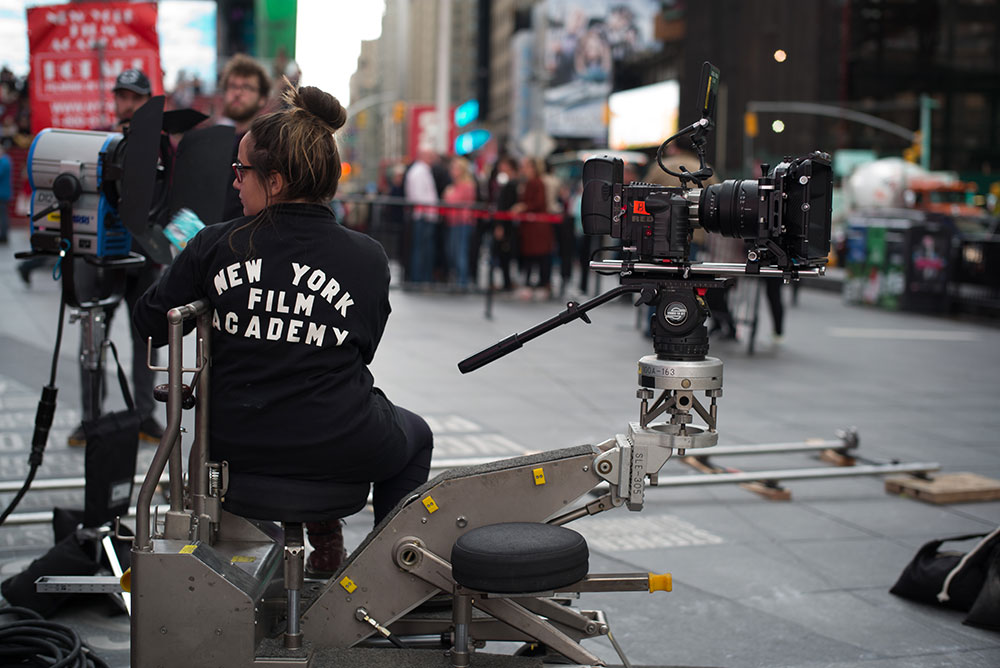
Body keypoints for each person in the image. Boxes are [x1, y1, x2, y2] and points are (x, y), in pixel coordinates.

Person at [132, 83, 433, 577]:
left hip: (232, 451)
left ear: (273, 181)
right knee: (415, 435)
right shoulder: (368, 257)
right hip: (343, 443)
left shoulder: (214, 244)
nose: (234, 182)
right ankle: (386, 577)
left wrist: (192, 271)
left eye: (241, 170)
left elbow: (149, 320)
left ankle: (287, 554)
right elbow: (364, 348)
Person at [67, 68, 164, 447]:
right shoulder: (100, 142)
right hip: (101, 257)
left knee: (147, 339)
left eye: (135, 98)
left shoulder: (162, 147)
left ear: (147, 102)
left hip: (143, 259)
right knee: (91, 336)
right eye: (121, 97)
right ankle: (91, 419)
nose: (127, 105)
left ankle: (145, 414)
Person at [218, 54, 271, 221]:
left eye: (247, 87)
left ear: (262, 98)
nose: (238, 93)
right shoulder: (216, 142)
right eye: (232, 86)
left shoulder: (267, 144)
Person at [512, 157, 554, 300]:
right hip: (530, 228)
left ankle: (542, 284)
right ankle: (530, 284)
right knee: (530, 256)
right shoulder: (528, 183)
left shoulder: (537, 183)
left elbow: (538, 202)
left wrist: (523, 207)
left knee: (540, 256)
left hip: (537, 228)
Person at [403, 147, 439, 284]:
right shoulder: (419, 172)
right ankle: (419, 278)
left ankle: (421, 277)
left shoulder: (421, 171)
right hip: (423, 216)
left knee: (422, 249)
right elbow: (419, 196)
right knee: (421, 249)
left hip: (424, 215)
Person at [441, 157, 477, 288]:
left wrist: (448, 194)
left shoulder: (467, 185)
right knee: (452, 251)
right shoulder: (454, 186)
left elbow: (453, 201)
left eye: (455, 168)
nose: (452, 171)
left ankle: (463, 282)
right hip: (453, 222)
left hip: (462, 223)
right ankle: (459, 278)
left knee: (460, 252)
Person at [0, 142, 10, 245]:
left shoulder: (4, 161)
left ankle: (3, 235)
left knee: (3, 216)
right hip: (3, 192)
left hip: (2, 193)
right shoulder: (5, 160)